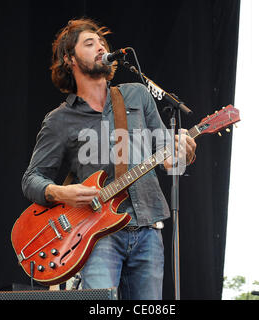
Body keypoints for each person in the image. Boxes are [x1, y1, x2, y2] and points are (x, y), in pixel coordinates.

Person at [21, 18, 196, 300]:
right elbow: (31, 180)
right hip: (96, 236)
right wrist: (62, 192)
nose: (100, 47)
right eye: (89, 44)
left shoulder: (137, 95)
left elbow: (170, 159)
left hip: (149, 228)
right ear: (70, 59)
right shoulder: (59, 120)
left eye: (102, 43)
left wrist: (183, 152)